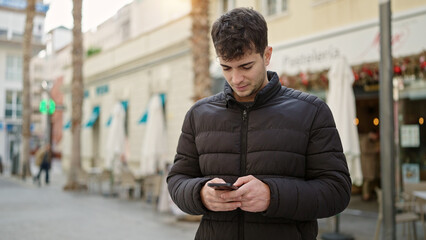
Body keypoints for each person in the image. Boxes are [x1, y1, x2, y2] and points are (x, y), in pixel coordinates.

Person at [167, 7, 351, 240]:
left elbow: (337, 191)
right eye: (226, 68)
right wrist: (200, 194)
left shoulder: (312, 111)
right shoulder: (199, 114)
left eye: (246, 66)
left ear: (266, 55)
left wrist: (272, 196)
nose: (236, 79)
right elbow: (176, 181)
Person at [360, 130, 380, 201]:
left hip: (371, 163)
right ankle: (366, 195)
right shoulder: (365, 140)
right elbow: (364, 150)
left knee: (370, 179)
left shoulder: (371, 140)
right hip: (367, 163)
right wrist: (375, 150)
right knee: (367, 179)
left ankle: (368, 194)